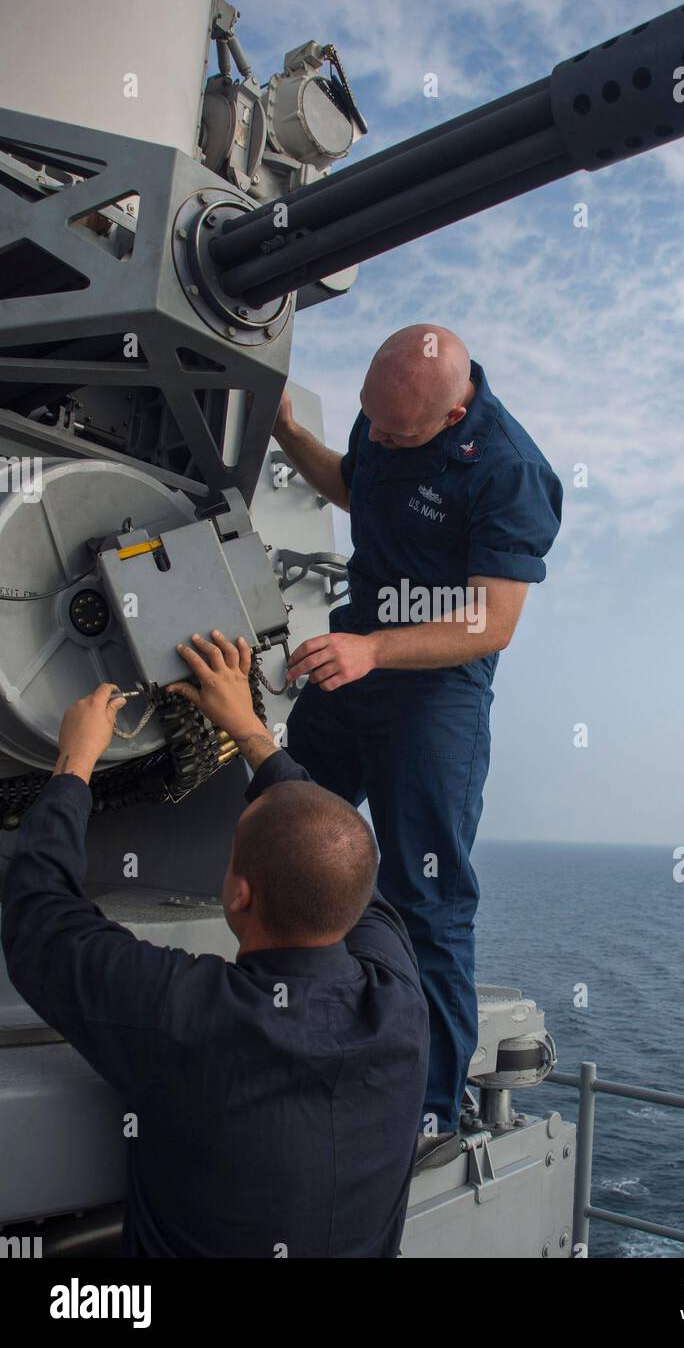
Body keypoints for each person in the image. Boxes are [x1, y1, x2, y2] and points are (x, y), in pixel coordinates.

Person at [1, 632, 429, 1258]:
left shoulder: (186, 1015)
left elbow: (40, 919)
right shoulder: (402, 1009)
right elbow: (331, 847)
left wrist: (74, 763)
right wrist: (250, 729)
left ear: (239, 896)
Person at [272, 324, 562, 1160]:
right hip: (354, 661)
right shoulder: (388, 412)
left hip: (434, 687)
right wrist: (294, 437)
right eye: (377, 424)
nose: (383, 439)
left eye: (399, 433)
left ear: (454, 410)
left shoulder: (509, 471)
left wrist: (375, 648)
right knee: (285, 827)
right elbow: (356, 486)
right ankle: (289, 1025)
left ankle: (427, 1113)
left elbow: (490, 622)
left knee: (425, 897)